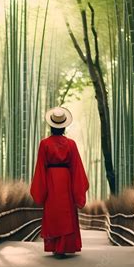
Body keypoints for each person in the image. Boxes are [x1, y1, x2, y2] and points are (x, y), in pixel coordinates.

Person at [30, 106, 89, 258]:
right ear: (64, 126)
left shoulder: (44, 144)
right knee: (67, 210)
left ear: (51, 126)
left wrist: (40, 189)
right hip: (66, 179)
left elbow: (40, 168)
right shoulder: (71, 144)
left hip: (50, 178)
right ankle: (64, 245)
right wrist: (78, 190)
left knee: (52, 211)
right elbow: (77, 168)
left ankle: (55, 246)